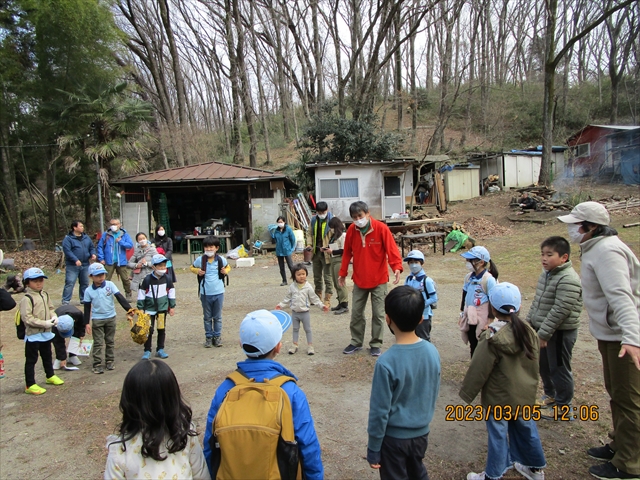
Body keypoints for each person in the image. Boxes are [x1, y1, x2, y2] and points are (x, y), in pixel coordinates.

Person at [558, 201, 640, 480]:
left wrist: (631, 338)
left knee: (629, 400)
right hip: (611, 335)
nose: (571, 229)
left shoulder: (607, 251)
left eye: (575, 224)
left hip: (624, 339)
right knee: (617, 395)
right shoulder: (594, 248)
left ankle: (629, 465)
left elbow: (622, 296)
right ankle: (621, 445)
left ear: (591, 227)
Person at [203, 309, 323, 479]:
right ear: (278, 347)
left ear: (240, 344)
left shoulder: (226, 389)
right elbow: (308, 447)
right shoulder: (290, 392)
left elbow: (209, 445)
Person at [460, 282, 546, 480]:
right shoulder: (529, 332)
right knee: (526, 427)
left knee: (498, 434)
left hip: (498, 397)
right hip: (524, 394)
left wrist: (467, 393)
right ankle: (534, 468)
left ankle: (494, 474)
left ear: (492, 307)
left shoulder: (491, 337)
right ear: (519, 307)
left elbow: (478, 369)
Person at [366, 286, 441, 480]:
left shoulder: (386, 362)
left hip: (393, 440)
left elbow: (379, 411)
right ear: (420, 319)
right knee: (417, 472)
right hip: (421, 435)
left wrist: (374, 447)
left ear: (388, 319)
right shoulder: (432, 352)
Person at [105, 360, 210, 480]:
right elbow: (202, 475)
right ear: (173, 398)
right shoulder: (184, 435)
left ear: (128, 400)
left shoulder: (120, 450)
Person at [525, 236, 582, 414]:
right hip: (542, 329)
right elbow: (538, 301)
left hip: (559, 333)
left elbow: (560, 310)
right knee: (544, 365)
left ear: (564, 257)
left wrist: (544, 334)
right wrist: (529, 323)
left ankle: (563, 405)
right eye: (542, 254)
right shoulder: (546, 274)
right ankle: (550, 395)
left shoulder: (568, 279)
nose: (544, 258)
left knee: (559, 368)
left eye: (549, 255)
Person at [338, 201, 403, 357]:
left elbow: (391, 249)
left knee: (378, 314)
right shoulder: (352, 231)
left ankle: (376, 343)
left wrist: (397, 267)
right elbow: (347, 253)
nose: (358, 219)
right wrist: (343, 272)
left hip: (379, 279)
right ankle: (356, 341)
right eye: (354, 217)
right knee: (356, 313)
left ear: (367, 213)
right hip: (360, 279)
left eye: (360, 216)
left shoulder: (381, 229)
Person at [20, 268, 65, 395]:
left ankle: (50, 375)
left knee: (47, 355)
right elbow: (27, 318)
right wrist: (43, 323)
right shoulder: (27, 298)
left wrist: (53, 316)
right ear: (27, 283)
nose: (39, 284)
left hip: (46, 333)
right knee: (31, 360)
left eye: (41, 281)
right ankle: (30, 384)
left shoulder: (45, 294)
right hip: (33, 335)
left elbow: (50, 308)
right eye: (35, 281)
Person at [83, 263, 133, 374]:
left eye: (102, 275)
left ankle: (110, 360)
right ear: (91, 276)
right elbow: (86, 308)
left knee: (110, 341)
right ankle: (97, 363)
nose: (101, 277)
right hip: (97, 319)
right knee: (98, 342)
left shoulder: (110, 285)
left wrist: (129, 309)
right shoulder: (88, 291)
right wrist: (86, 323)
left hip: (110, 317)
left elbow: (119, 297)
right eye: (97, 275)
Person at [275, 263, 329, 355]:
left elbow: (314, 298)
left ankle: (310, 346)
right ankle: (294, 345)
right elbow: (287, 298)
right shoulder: (292, 287)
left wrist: (322, 306)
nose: (301, 276)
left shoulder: (308, 287)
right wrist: (281, 305)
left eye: (303, 274)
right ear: (294, 276)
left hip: (305, 313)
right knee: (295, 329)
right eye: (298, 274)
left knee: (308, 329)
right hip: (295, 313)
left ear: (306, 274)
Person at [190, 236, 230, 348]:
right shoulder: (200, 260)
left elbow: (228, 267)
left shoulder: (221, 260)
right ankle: (208, 337)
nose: (208, 249)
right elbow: (192, 267)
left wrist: (225, 271)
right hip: (205, 293)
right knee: (207, 317)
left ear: (217, 248)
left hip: (218, 292)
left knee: (217, 317)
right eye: (206, 247)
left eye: (211, 247)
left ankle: (217, 337)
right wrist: (197, 271)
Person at [459, 246, 498, 358]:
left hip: (483, 318)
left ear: (480, 262)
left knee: (482, 343)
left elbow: (493, 300)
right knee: (472, 342)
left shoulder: (488, 279)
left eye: (470, 260)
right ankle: (474, 364)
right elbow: (464, 295)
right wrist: (462, 313)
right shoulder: (468, 277)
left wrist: (490, 321)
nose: (467, 262)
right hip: (470, 317)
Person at [137, 254, 176, 360]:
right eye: (160, 266)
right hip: (149, 310)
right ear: (153, 267)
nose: (163, 268)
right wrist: (140, 308)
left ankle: (160, 349)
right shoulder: (147, 280)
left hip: (162, 309)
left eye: (164, 266)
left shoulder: (167, 279)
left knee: (161, 329)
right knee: (148, 329)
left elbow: (171, 292)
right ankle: (147, 350)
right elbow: (141, 294)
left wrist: (172, 306)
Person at [403, 250, 438, 342]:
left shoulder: (427, 280)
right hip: (411, 314)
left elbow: (434, 298)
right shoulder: (408, 279)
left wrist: (420, 304)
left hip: (424, 315)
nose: (413, 265)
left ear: (422, 263)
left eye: (416, 262)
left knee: (423, 338)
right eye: (411, 262)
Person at [97, 218, 134, 300]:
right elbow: (100, 247)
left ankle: (128, 293)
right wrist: (101, 258)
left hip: (121, 261)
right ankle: (103, 294)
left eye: (116, 224)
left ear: (120, 225)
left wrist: (120, 242)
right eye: (112, 224)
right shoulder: (106, 234)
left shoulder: (124, 234)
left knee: (125, 279)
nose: (114, 226)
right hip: (109, 261)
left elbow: (130, 245)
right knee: (105, 279)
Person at [61, 220, 96, 306]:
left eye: (83, 226)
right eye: (80, 226)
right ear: (74, 227)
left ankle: (84, 299)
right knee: (70, 282)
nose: (82, 228)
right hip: (72, 265)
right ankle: (66, 300)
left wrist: (93, 254)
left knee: (85, 282)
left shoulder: (86, 237)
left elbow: (91, 247)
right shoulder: (68, 239)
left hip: (85, 264)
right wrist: (75, 260)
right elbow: (67, 251)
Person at [305, 201, 333, 306]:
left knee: (327, 277)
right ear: (316, 212)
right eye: (319, 212)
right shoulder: (313, 220)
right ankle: (317, 296)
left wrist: (331, 248)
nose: (322, 214)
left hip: (327, 253)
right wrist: (309, 244)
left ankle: (327, 299)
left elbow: (338, 235)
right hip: (316, 252)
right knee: (317, 276)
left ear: (327, 210)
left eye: (323, 212)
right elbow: (309, 233)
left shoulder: (333, 220)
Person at [52, 304, 86, 369]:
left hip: (74, 319)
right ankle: (59, 359)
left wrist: (81, 334)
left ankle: (73, 355)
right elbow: (58, 343)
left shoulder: (79, 314)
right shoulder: (54, 321)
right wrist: (62, 358)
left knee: (76, 335)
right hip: (58, 320)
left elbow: (82, 325)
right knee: (58, 340)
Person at [327, 217, 349, 315]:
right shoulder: (334, 236)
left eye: (332, 227)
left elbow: (345, 250)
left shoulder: (343, 235)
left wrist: (333, 251)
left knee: (340, 282)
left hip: (340, 259)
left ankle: (344, 304)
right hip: (333, 259)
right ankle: (340, 302)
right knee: (335, 283)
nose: (331, 229)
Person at [272, 216, 296, 286]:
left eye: (281, 222)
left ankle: (295, 280)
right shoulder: (276, 230)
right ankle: (284, 280)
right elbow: (275, 239)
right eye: (278, 222)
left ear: (284, 222)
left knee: (291, 266)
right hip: (279, 251)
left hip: (287, 250)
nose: (280, 223)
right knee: (281, 267)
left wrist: (291, 248)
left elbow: (293, 239)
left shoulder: (288, 229)